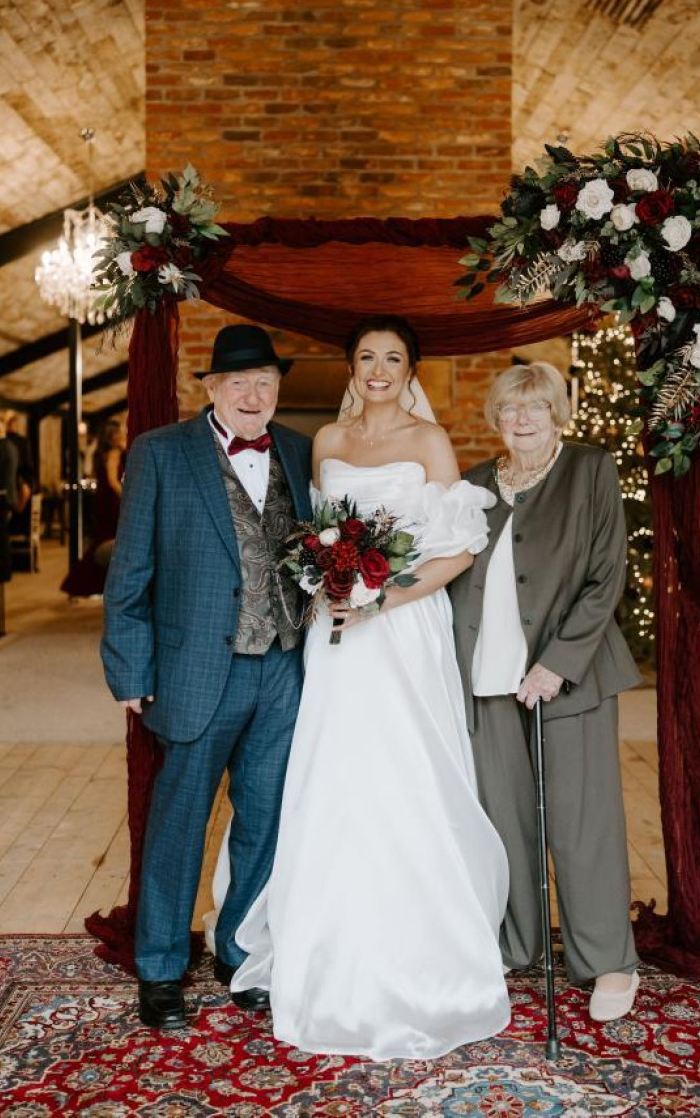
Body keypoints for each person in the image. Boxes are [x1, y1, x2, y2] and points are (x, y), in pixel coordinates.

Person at [209, 317, 510, 1061]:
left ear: (411, 371)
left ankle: (421, 946)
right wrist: (331, 583)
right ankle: (326, 940)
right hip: (336, 632)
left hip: (403, 629)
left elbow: (459, 552)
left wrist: (385, 598)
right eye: (367, 356)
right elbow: (316, 538)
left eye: (393, 358)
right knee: (334, 773)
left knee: (406, 773)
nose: (379, 369)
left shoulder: (429, 441)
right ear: (351, 367)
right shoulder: (328, 443)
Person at [101, 324, 312, 1031]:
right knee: (179, 824)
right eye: (239, 383)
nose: (254, 395)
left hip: (283, 666)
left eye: (265, 383)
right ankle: (160, 967)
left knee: (265, 820)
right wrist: (130, 668)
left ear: (277, 389)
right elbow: (130, 572)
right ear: (214, 388)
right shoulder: (161, 453)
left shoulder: (300, 451)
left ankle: (240, 953)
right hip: (196, 670)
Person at [448, 362, 642, 1023]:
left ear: (557, 412)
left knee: (582, 819)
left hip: (569, 675)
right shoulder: (477, 482)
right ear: (496, 418)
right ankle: (517, 944)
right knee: (504, 819)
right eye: (510, 408)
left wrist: (557, 664)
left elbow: (606, 574)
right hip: (486, 675)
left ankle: (608, 960)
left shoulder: (590, 469)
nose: (523, 419)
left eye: (536, 407)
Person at [62, 419, 127, 597]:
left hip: (103, 500)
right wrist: (126, 497)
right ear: (113, 436)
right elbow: (112, 481)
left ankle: (81, 584)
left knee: (102, 540)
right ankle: (82, 583)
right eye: (120, 432)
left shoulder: (101, 453)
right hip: (113, 502)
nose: (123, 434)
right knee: (110, 541)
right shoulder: (114, 453)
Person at [0, 411, 19, 588]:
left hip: (0, 496)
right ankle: (5, 570)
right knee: (3, 534)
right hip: (9, 496)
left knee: (1, 536)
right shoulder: (12, 446)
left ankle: (3, 572)